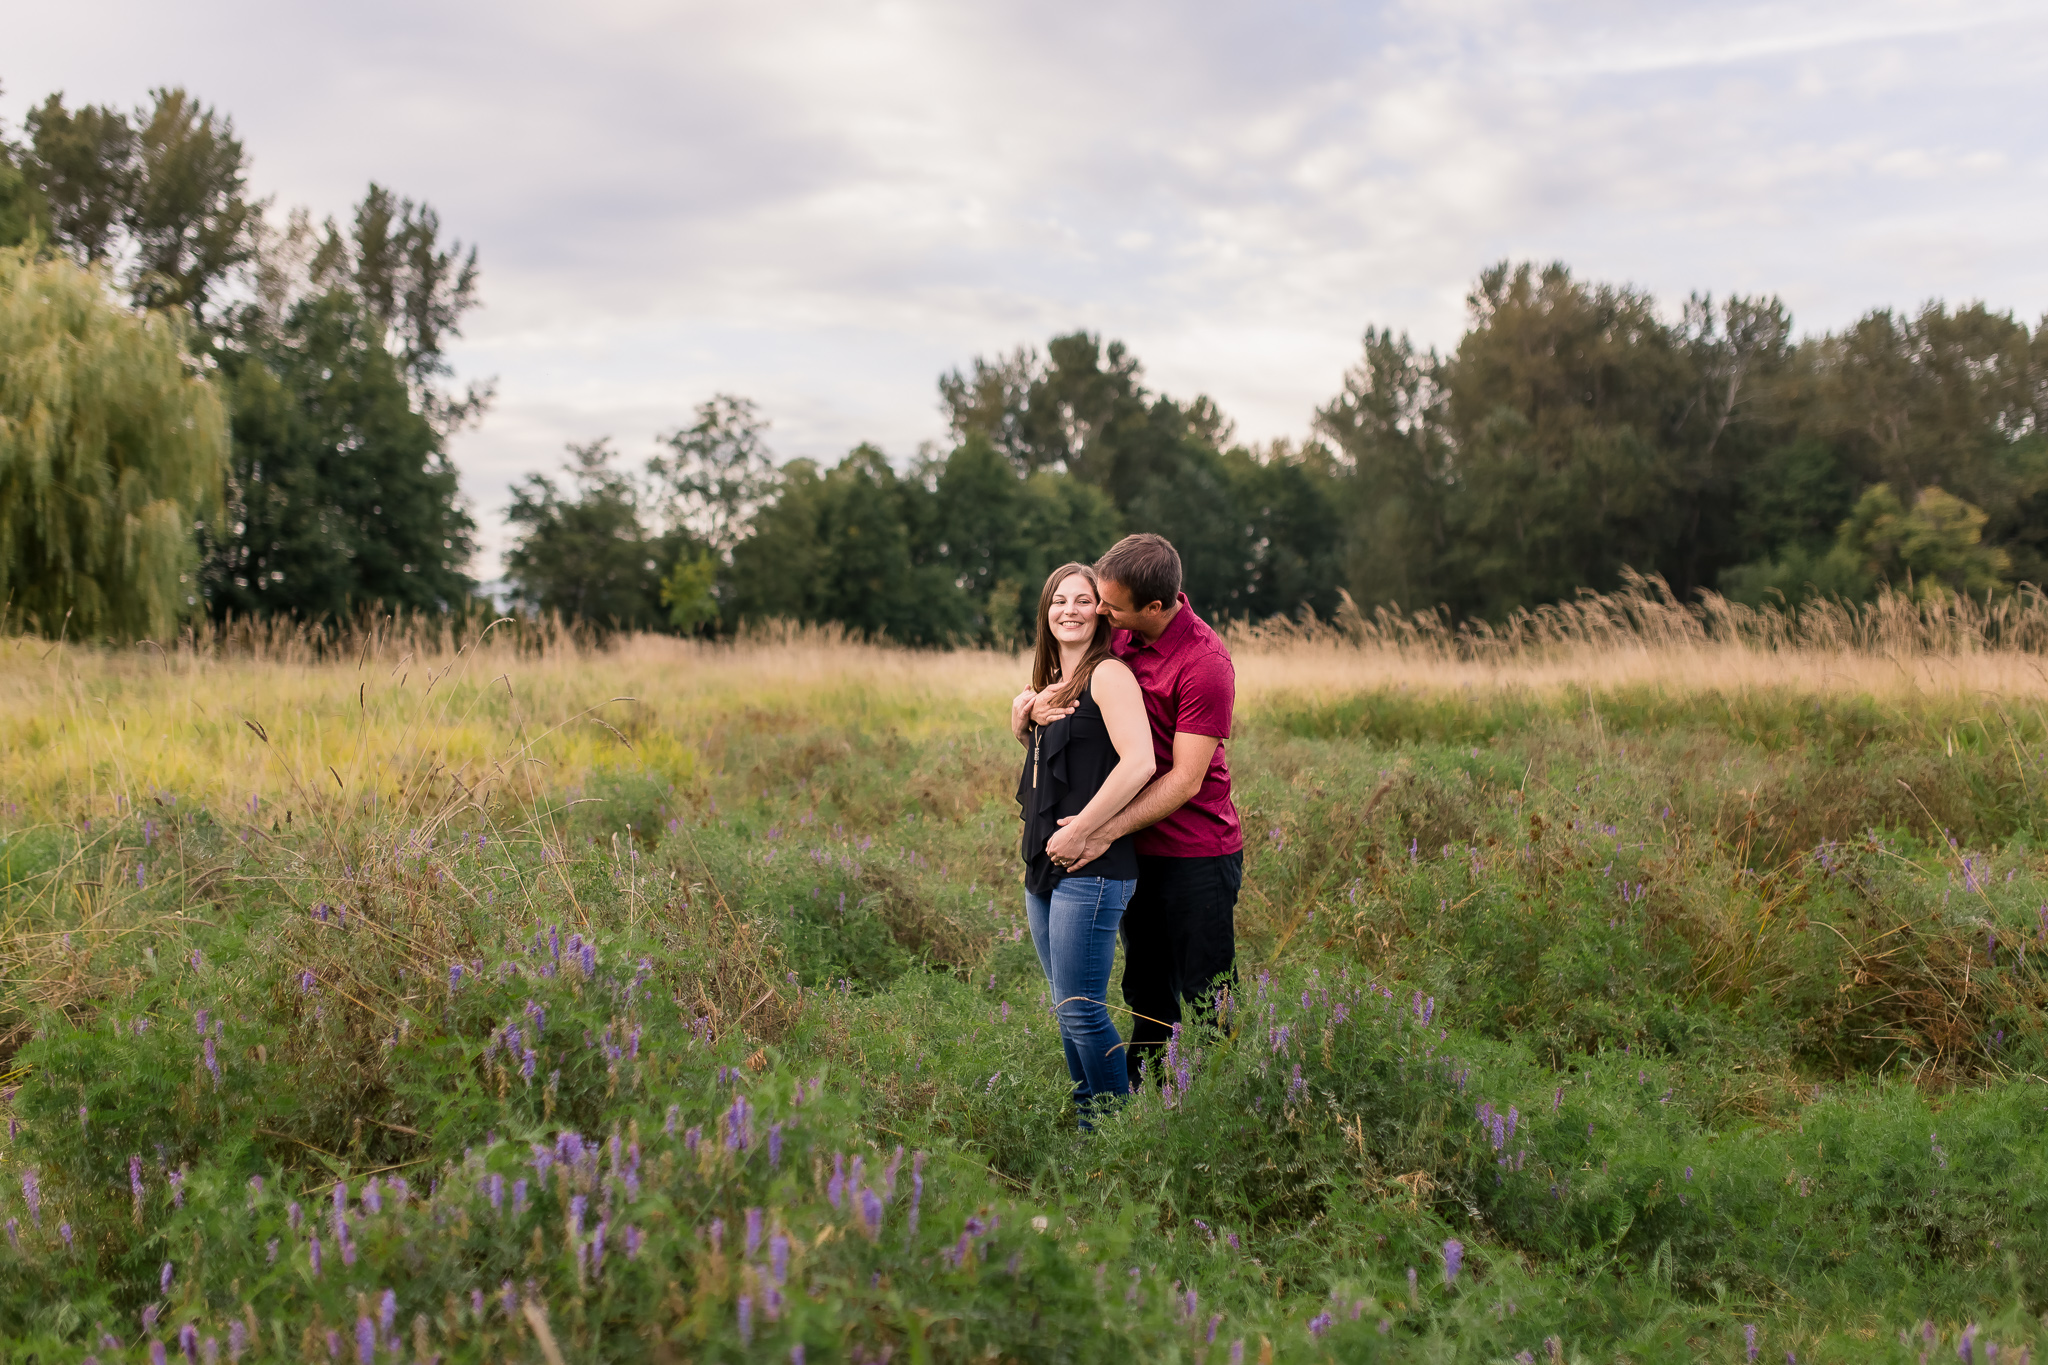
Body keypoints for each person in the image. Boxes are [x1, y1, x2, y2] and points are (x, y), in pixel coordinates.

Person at [1039, 532, 1241, 1074]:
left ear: (1154, 607)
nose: (1100, 611)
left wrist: (1101, 829)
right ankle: (1145, 1111)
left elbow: (1185, 780)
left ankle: (1220, 1106)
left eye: (1110, 605)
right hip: (1133, 852)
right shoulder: (1122, 635)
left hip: (1196, 851)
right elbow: (1073, 682)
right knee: (1146, 991)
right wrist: (1026, 704)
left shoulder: (1205, 664)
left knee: (1208, 995)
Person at [1010, 563, 1158, 1122]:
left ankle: (1117, 1130)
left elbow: (1140, 762)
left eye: (1082, 600)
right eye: (1058, 600)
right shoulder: (1053, 686)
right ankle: (1086, 1118)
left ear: (1100, 612)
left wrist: (1082, 829)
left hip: (1094, 865)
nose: (1068, 609)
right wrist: (1022, 714)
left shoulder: (1109, 676)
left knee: (1082, 1009)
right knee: (1064, 1008)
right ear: (1045, 613)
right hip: (1044, 862)